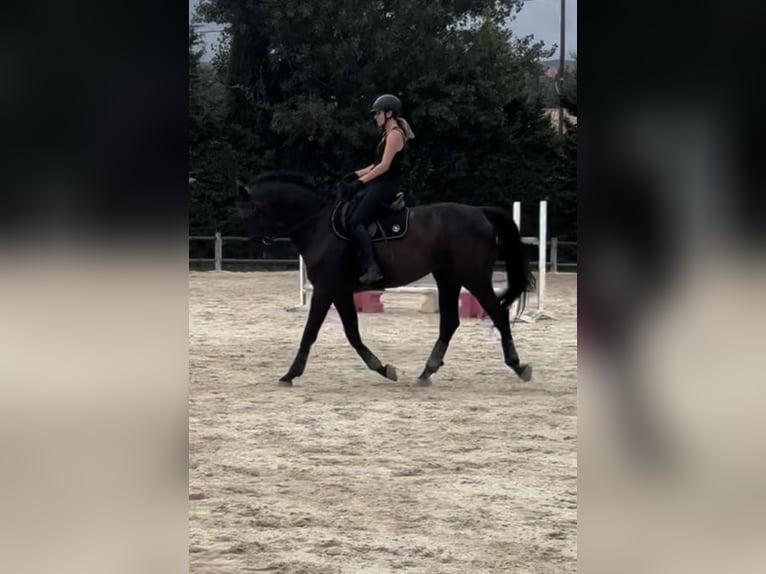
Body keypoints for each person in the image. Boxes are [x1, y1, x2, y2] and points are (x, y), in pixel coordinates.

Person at [342, 94, 415, 285]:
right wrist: (354, 175)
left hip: (385, 187)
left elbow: (384, 166)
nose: (375, 116)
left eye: (378, 113)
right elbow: (375, 165)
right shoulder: (386, 135)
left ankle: (373, 268)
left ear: (389, 113)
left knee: (356, 222)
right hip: (378, 183)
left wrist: (361, 183)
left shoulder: (395, 135)